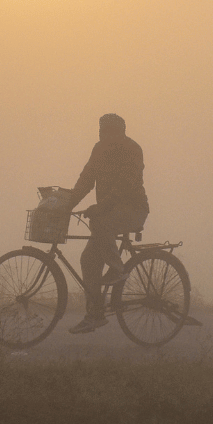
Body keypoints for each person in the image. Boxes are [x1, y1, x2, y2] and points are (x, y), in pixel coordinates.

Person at [65, 113, 150, 334]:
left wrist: (101, 207)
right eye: (101, 131)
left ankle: (117, 269)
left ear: (121, 132)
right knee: (88, 260)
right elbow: (86, 178)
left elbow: (125, 185)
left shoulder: (132, 150)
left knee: (101, 222)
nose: (104, 135)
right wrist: (68, 203)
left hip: (133, 209)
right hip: (107, 212)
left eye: (109, 131)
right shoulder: (99, 149)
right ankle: (95, 314)